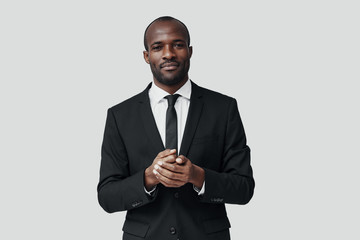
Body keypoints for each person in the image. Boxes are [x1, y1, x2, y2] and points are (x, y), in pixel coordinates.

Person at [97, 16, 255, 240]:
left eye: (178, 45)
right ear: (146, 56)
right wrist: (148, 178)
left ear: (190, 51)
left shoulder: (223, 108)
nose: (169, 53)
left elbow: (244, 188)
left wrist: (197, 176)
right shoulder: (120, 115)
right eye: (158, 47)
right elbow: (107, 196)